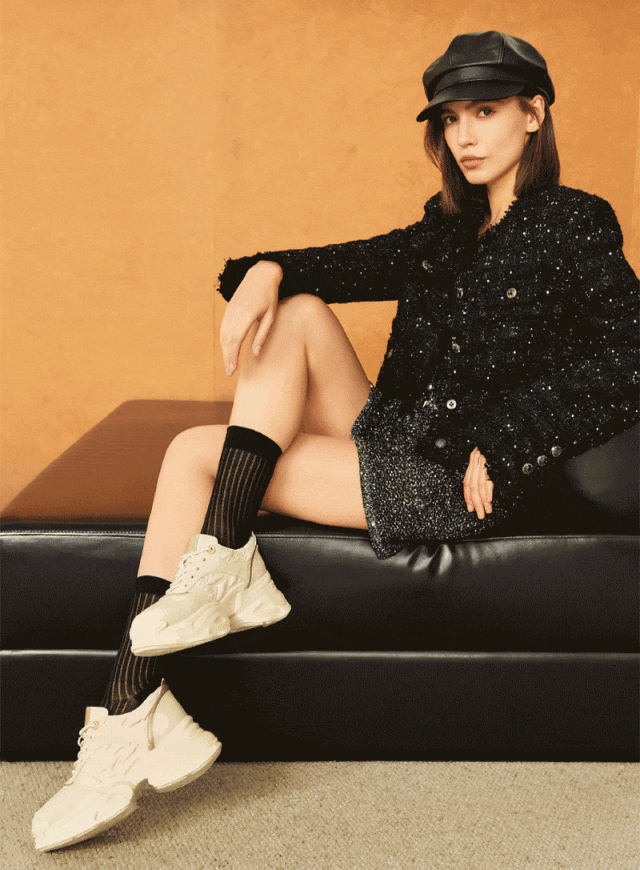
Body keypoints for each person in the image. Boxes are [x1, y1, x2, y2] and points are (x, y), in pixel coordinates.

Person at [32, 31, 639, 852]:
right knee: (298, 310)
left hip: (449, 479)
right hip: (397, 433)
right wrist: (265, 269)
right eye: (450, 119)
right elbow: (348, 264)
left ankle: (126, 712)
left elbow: (628, 356)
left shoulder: (575, 223)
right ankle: (193, 614)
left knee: (192, 457)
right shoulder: (448, 226)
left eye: (485, 112)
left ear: (534, 114)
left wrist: (508, 437)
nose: (463, 137)